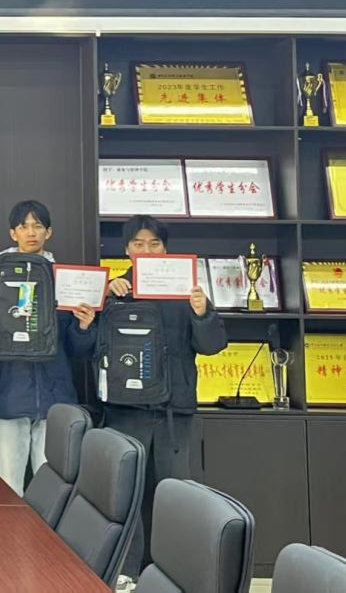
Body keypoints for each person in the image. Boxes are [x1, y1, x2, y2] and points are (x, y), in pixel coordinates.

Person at [102, 214, 228, 580]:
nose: (147, 250)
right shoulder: (116, 290)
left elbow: (213, 345)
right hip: (127, 411)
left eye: (154, 244)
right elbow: (88, 346)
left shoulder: (187, 290)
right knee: (127, 496)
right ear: (127, 249)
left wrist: (202, 312)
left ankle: (174, 575)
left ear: (166, 248)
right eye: (138, 244)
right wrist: (105, 299)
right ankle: (126, 573)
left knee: (176, 496)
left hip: (175, 410)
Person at [0, 200, 98, 494]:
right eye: (23, 226)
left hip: (55, 398)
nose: (31, 232)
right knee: (8, 486)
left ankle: (45, 530)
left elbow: (77, 350)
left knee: (50, 488)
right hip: (8, 395)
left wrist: (84, 327)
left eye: (37, 226)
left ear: (48, 232)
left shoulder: (63, 279)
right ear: (12, 233)